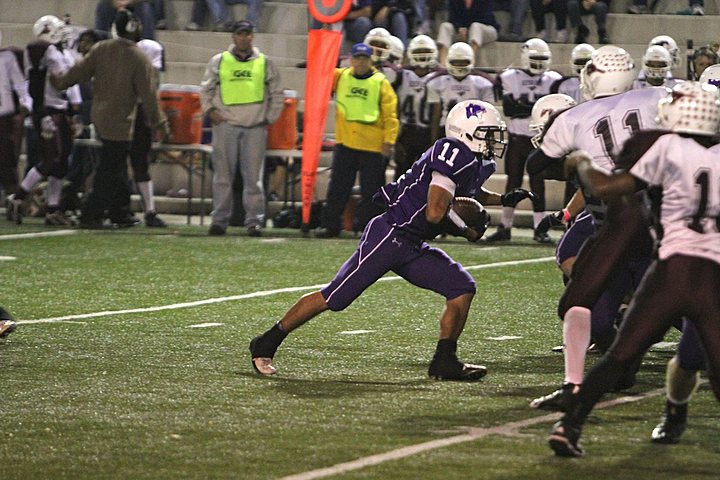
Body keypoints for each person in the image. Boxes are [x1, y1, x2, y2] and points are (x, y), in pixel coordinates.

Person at [249, 100, 535, 379]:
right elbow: (437, 212)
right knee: (335, 297)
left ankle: (444, 360)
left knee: (462, 288)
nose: (494, 141)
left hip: (412, 244)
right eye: (488, 134)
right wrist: (467, 230)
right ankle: (266, 342)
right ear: (466, 132)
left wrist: (502, 199)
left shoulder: (471, 160)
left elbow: (465, 192)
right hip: (390, 235)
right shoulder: (452, 151)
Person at [548, 81, 720, 457]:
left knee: (620, 356)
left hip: (672, 271)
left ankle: (569, 425)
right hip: (711, 277)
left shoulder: (669, 147)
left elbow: (611, 187)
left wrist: (583, 163)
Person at [525, 46, 670, 412]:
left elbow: (536, 162)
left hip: (618, 229)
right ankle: (616, 367)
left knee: (579, 303)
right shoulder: (658, 97)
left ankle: (578, 383)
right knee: (682, 310)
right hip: (662, 227)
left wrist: (573, 145)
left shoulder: (576, 116)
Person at [51, 9, 168, 229]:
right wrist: (160, 122)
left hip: (100, 116)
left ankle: (119, 211)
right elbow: (149, 96)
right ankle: (91, 214)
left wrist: (59, 82)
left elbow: (77, 73)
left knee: (116, 166)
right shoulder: (139, 57)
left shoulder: (100, 49)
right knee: (110, 170)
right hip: (121, 121)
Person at [200, 20, 283, 236]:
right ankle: (219, 220)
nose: (244, 38)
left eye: (247, 34)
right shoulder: (219, 61)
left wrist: (269, 118)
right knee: (222, 177)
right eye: (240, 34)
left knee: (254, 179)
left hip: (255, 126)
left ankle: (254, 221)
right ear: (233, 36)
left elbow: (277, 93)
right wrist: (210, 112)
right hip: (226, 125)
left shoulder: (265, 62)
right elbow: (205, 89)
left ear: (252, 37)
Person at [314, 43, 399, 238]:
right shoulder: (341, 76)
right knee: (338, 187)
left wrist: (389, 142)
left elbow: (390, 115)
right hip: (345, 144)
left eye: (364, 58)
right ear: (351, 59)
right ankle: (331, 225)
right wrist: (325, 38)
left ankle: (367, 228)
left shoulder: (380, 82)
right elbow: (321, 70)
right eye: (357, 58)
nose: (361, 62)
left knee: (371, 192)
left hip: (373, 146)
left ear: (371, 61)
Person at [8, 15, 83, 226]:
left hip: (61, 110)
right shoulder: (39, 49)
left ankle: (53, 208)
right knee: (50, 158)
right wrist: (40, 113)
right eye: (56, 30)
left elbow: (71, 80)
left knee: (61, 163)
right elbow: (56, 76)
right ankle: (18, 198)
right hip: (46, 110)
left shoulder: (61, 51)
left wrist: (73, 112)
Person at [485, 38, 560, 244]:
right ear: (525, 57)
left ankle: (540, 229)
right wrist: (537, 108)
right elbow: (510, 109)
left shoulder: (553, 79)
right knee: (513, 182)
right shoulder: (511, 77)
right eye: (535, 58)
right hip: (518, 140)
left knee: (538, 184)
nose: (538, 62)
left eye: (542, 58)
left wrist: (523, 107)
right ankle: (505, 227)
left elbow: (521, 109)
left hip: (539, 140)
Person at [426, 42, 494, 143]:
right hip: (446, 129)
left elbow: (488, 115)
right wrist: (433, 143)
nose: (459, 66)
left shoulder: (482, 83)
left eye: (463, 62)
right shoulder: (438, 82)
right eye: (456, 62)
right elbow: (436, 116)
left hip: (473, 131)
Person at [132, 38, 168, 227]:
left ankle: (149, 210)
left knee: (140, 164)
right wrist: (160, 122)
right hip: (129, 116)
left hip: (138, 117)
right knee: (116, 165)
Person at [393, 34, 438, 179]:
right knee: (401, 177)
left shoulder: (440, 76)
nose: (422, 56)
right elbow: (394, 106)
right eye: (418, 52)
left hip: (427, 132)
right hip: (406, 132)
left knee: (426, 178)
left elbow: (437, 112)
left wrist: (434, 141)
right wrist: (395, 139)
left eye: (426, 51)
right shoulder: (401, 75)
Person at [0, 34, 32, 201]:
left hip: (6, 119)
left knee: (7, 157)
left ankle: (13, 196)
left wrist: (25, 105)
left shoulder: (9, 58)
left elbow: (22, 89)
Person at [436, 0, 500, 65]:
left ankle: (469, 63)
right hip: (464, 30)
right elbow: (452, 17)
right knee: (445, 26)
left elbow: (486, 18)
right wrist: (459, 28)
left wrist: (467, 28)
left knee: (475, 26)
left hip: (486, 28)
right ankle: (443, 64)